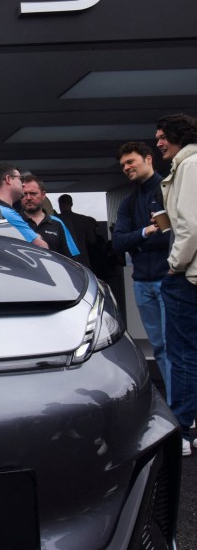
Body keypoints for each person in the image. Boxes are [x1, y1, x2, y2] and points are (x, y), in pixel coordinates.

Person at [112, 141, 171, 403]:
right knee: (159, 348)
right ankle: (176, 406)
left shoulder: (168, 191)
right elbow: (118, 243)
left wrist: (136, 239)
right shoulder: (128, 202)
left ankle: (183, 409)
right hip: (142, 283)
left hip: (170, 280)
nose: (126, 168)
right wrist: (146, 231)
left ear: (148, 159)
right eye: (123, 165)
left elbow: (170, 237)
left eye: (131, 162)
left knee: (175, 347)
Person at [154, 113, 197, 456]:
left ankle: (183, 430)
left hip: (187, 276)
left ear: (177, 136)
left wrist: (173, 266)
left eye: (161, 137)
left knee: (182, 353)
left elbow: (191, 225)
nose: (157, 143)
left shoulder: (190, 165)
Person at [0, 163, 48, 249]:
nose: (23, 184)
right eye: (20, 179)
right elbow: (42, 247)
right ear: (8, 179)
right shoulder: (8, 214)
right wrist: (38, 237)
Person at [20, 176, 74, 257]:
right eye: (24, 194)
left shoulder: (58, 224)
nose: (28, 198)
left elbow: (71, 259)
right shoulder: (11, 222)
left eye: (33, 193)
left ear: (43, 195)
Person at [57, 194, 100, 270]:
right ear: (71, 204)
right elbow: (92, 240)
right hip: (82, 259)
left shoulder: (55, 220)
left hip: (62, 259)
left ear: (59, 204)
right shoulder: (84, 220)